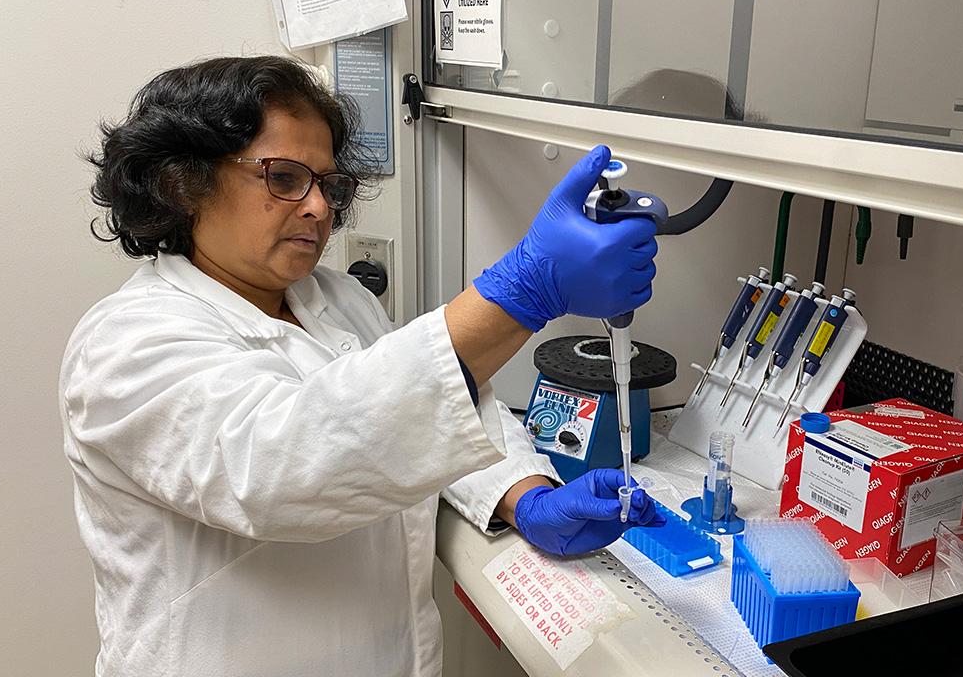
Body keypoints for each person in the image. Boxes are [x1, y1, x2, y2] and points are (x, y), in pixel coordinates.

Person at [61, 55, 663, 677]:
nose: (319, 208)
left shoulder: (337, 299)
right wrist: (520, 293)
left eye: (328, 184)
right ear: (183, 183)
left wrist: (523, 495)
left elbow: (435, 408)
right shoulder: (125, 343)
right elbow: (285, 469)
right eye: (286, 177)